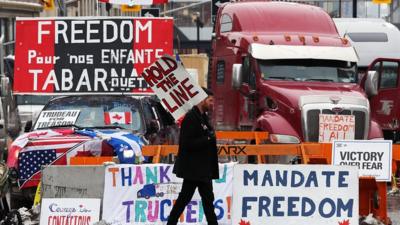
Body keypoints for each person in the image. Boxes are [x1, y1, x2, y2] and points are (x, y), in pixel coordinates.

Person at [167, 88, 219, 225]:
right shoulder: (191, 117)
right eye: (210, 100)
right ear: (202, 100)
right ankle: (170, 223)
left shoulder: (203, 117)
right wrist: (207, 139)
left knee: (208, 201)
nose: (213, 104)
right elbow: (186, 143)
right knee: (184, 199)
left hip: (204, 169)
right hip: (193, 170)